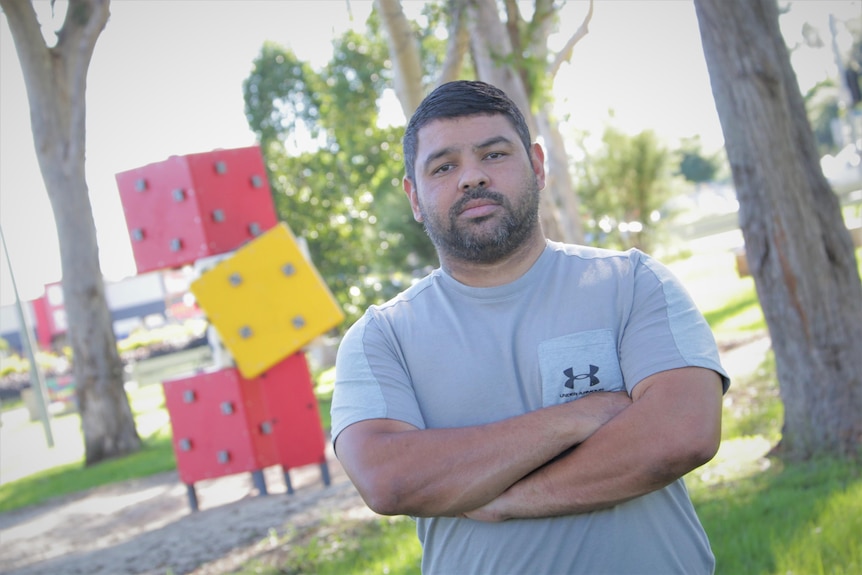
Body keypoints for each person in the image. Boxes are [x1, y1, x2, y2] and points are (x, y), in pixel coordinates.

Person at [331, 80, 730, 575]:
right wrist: (580, 416)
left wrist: (505, 498)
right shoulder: (381, 338)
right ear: (414, 196)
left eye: (494, 154)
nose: (472, 177)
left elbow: (682, 433)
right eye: (444, 166)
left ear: (537, 166)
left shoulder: (631, 282)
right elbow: (389, 480)